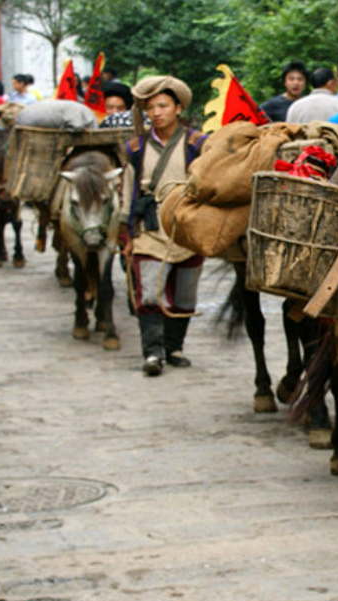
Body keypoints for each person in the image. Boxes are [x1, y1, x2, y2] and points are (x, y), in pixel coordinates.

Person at [119, 76, 207, 376]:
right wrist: (126, 234)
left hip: (186, 228)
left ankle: (174, 347)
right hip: (149, 228)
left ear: (178, 108)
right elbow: (126, 191)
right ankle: (153, 353)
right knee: (150, 295)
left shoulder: (197, 143)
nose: (156, 113)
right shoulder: (134, 147)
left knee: (185, 295)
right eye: (150, 108)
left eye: (163, 106)